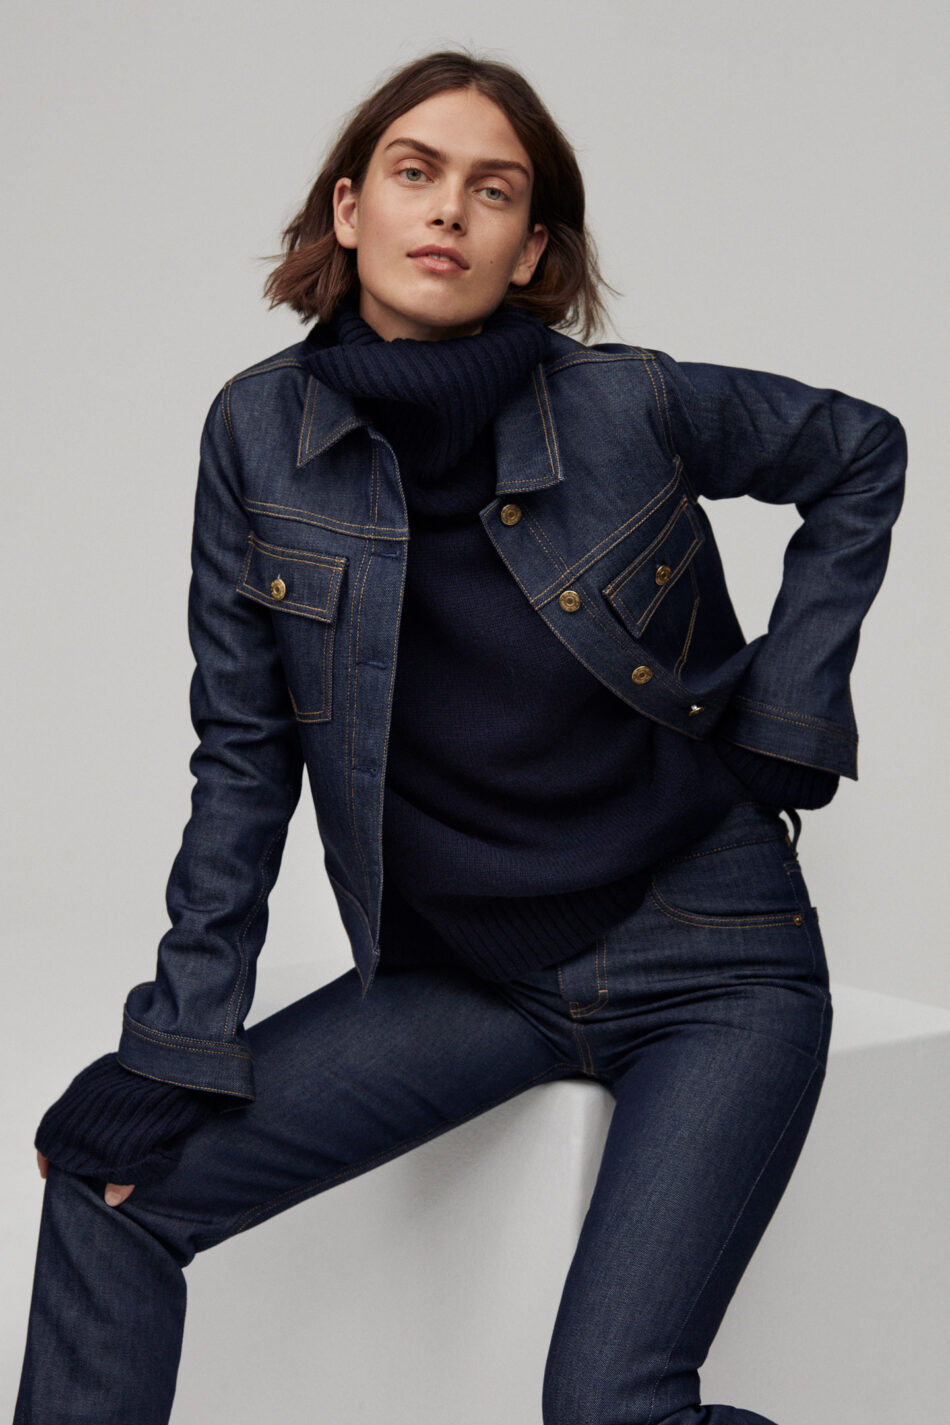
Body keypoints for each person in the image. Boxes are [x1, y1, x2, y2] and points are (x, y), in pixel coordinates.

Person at [14, 46, 906, 1425]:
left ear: (530, 246)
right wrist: (174, 1045)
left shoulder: (624, 401)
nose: (449, 209)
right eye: (416, 172)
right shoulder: (258, 431)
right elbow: (242, 757)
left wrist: (789, 715)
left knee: (612, 1406)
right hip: (470, 979)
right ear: (349, 206)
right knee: (108, 1197)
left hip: (712, 961)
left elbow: (857, 448)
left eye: (494, 190)